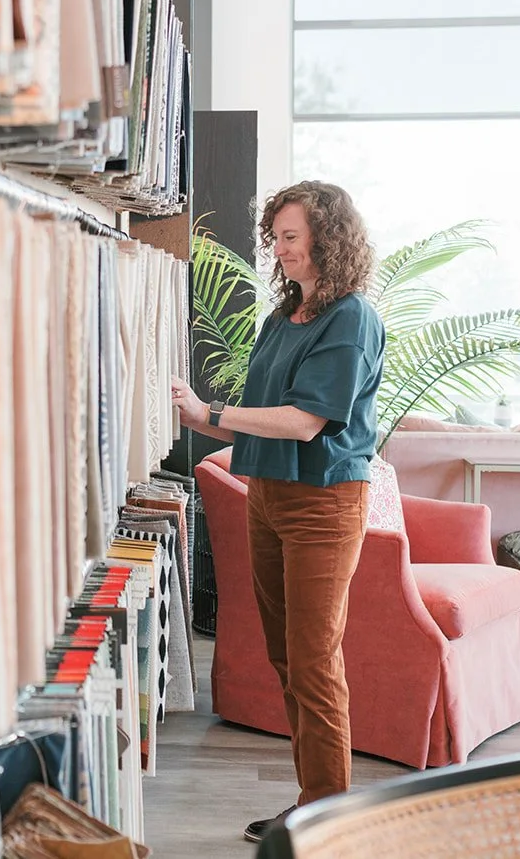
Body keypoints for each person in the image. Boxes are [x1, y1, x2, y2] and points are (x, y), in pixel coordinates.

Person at [170, 180, 385, 843]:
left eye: (292, 237)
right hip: (267, 495)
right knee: (287, 658)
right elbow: (264, 426)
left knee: (314, 661)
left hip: (322, 505)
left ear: (329, 239)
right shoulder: (280, 317)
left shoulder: (350, 317)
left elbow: (303, 421)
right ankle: (313, 804)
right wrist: (203, 413)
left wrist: (205, 412)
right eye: (277, 238)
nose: (281, 250)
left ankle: (331, 817)